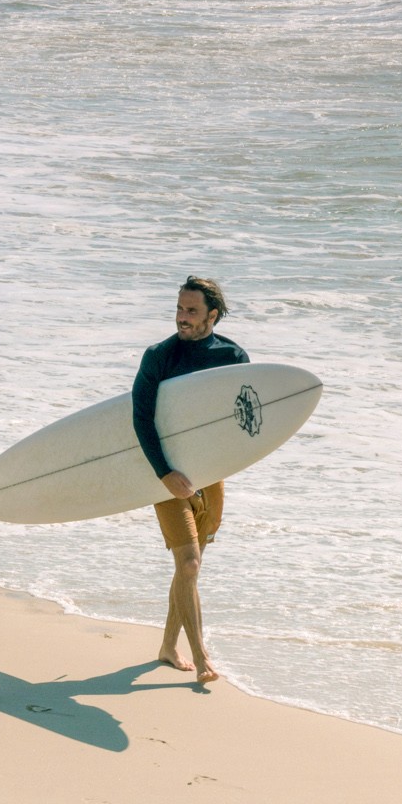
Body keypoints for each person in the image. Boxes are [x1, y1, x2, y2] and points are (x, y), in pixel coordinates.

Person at [131, 276, 249, 683]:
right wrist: (164, 473)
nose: (182, 317)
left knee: (189, 571)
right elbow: (141, 419)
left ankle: (167, 646)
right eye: (179, 308)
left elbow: (244, 419)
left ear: (212, 315)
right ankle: (201, 657)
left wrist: (225, 464)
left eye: (192, 311)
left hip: (210, 474)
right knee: (189, 562)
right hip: (164, 476)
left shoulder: (233, 356)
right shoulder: (159, 356)